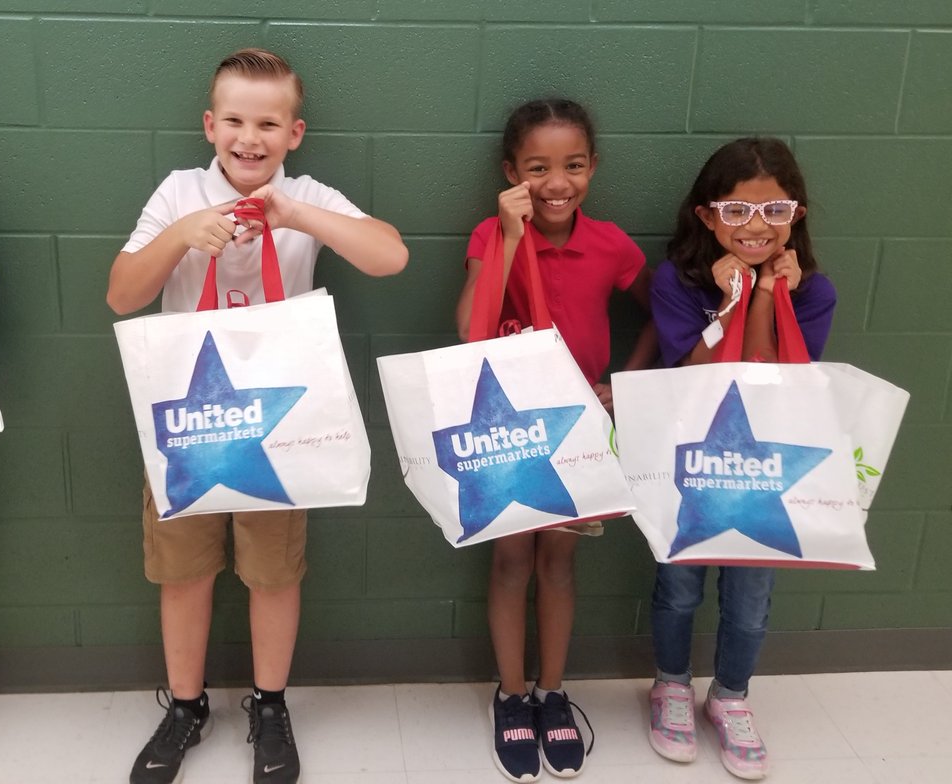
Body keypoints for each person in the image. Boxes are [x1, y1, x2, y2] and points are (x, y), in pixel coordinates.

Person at [106, 47, 407, 784]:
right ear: (210, 125)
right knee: (184, 573)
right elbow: (121, 295)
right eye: (235, 120)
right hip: (190, 424)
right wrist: (183, 235)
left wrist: (294, 214)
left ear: (294, 133)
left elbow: (389, 256)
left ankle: (269, 704)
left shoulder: (306, 193)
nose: (250, 137)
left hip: (280, 427)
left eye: (268, 123)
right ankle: (185, 705)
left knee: (274, 573)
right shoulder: (178, 192)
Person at [454, 98, 657, 781]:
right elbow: (470, 334)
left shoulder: (612, 244)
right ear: (512, 172)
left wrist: (625, 385)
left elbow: (664, 314)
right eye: (538, 168)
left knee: (560, 567)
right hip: (510, 432)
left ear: (593, 168)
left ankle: (552, 693)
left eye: (573, 166)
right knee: (511, 563)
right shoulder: (492, 235)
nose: (557, 182)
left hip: (582, 434)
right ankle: (511, 695)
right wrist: (510, 239)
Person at [646, 137, 836, 781]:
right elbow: (690, 374)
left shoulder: (813, 293)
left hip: (766, 472)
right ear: (706, 217)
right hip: (690, 458)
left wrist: (762, 298)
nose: (756, 227)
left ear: (797, 214)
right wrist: (728, 301)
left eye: (774, 211)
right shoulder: (676, 280)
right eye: (736, 212)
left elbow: (773, 377)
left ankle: (730, 697)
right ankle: (671, 686)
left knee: (751, 593)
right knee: (678, 587)